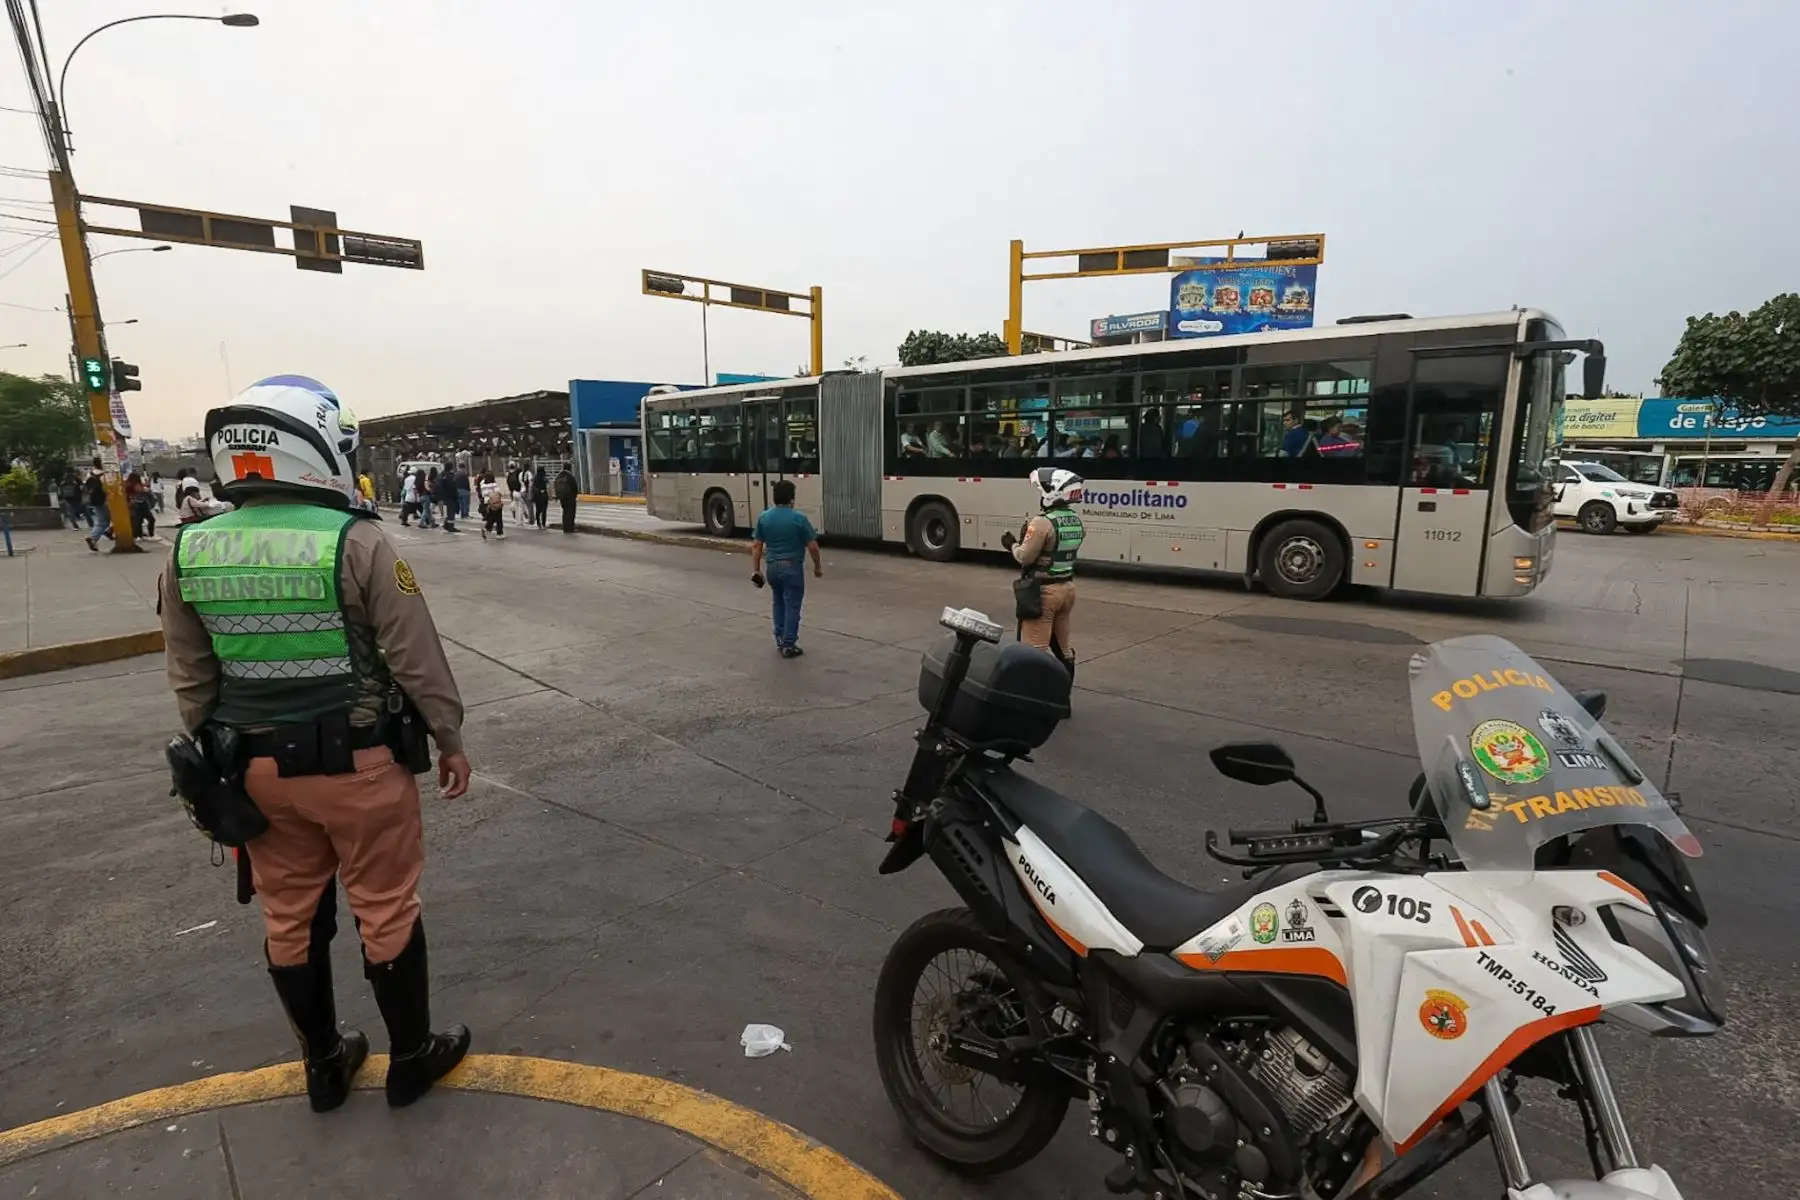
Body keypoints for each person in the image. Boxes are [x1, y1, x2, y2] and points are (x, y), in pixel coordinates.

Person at [158, 374, 472, 1114]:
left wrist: (213, 759)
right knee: (385, 907)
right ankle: (411, 1060)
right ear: (315, 444)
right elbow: (415, 658)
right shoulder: (356, 540)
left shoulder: (190, 549)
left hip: (255, 776)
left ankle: (325, 1066)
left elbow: (191, 678)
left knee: (289, 917)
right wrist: (450, 738)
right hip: (358, 769)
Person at [1002, 466, 1084, 680]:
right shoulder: (1076, 521)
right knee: (1064, 649)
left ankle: (1034, 702)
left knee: (1034, 651)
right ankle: (1063, 696)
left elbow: (1025, 556)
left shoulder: (1042, 522)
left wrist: (1012, 545)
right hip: (1067, 589)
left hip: (1044, 593)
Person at [750, 479, 822, 658]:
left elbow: (757, 546)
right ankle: (789, 644)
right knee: (792, 604)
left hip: (772, 567)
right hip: (791, 567)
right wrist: (817, 567)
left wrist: (756, 569)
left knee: (778, 601)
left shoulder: (764, 517)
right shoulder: (799, 519)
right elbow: (813, 547)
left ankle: (779, 638)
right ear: (791, 499)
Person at [83, 458, 113, 551]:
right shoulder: (104, 475)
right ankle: (94, 537)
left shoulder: (89, 474)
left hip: (94, 500)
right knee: (105, 521)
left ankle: (102, 535)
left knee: (101, 519)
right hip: (105, 500)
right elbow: (110, 487)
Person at [126, 470, 156, 539]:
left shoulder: (128, 485)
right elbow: (142, 490)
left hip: (134, 504)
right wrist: (146, 488)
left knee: (138, 520)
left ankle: (139, 536)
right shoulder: (136, 485)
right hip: (140, 504)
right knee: (150, 519)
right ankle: (150, 535)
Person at [477, 470, 505, 540]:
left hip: (488, 503)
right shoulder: (494, 485)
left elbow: (483, 494)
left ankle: (486, 529)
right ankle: (500, 533)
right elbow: (499, 492)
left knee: (491, 518)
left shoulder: (483, 485)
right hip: (496, 503)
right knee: (499, 519)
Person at [433, 466, 461, 534]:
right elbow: (452, 487)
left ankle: (446, 524)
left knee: (449, 511)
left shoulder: (440, 475)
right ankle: (450, 526)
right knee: (451, 512)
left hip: (443, 496)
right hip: (450, 496)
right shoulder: (449, 476)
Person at [551, 467, 572, 533]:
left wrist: (557, 496)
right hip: (568, 497)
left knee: (564, 512)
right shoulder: (569, 476)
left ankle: (565, 527)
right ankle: (569, 528)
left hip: (562, 497)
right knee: (569, 513)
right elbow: (574, 486)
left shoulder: (559, 475)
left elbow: (555, 485)